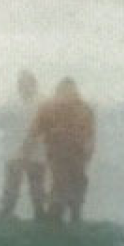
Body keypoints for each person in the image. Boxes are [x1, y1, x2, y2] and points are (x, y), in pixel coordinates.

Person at [25, 78, 95, 224]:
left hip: (77, 154)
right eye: (64, 91)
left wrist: (89, 152)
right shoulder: (48, 108)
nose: (67, 95)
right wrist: (26, 150)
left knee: (78, 185)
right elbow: (34, 131)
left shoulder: (84, 109)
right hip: (57, 153)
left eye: (70, 91)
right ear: (58, 92)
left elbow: (90, 134)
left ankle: (75, 217)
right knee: (60, 186)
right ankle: (54, 218)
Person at [0, 70, 47, 221]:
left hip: (36, 154)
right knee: (11, 189)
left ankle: (39, 217)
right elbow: (1, 123)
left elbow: (47, 128)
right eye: (22, 84)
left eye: (27, 83)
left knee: (37, 190)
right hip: (16, 153)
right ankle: (6, 216)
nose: (24, 87)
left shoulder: (42, 103)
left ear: (34, 85)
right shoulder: (11, 104)